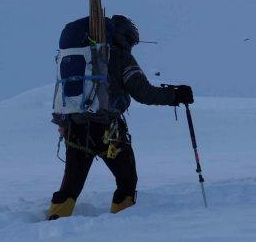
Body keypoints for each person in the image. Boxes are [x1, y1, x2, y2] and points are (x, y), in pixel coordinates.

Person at [47, 14, 193, 219]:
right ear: (125, 38)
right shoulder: (121, 58)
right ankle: (122, 226)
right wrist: (176, 96)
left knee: (71, 186)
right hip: (108, 131)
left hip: (76, 128)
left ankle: (54, 222)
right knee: (127, 181)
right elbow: (144, 93)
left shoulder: (87, 56)